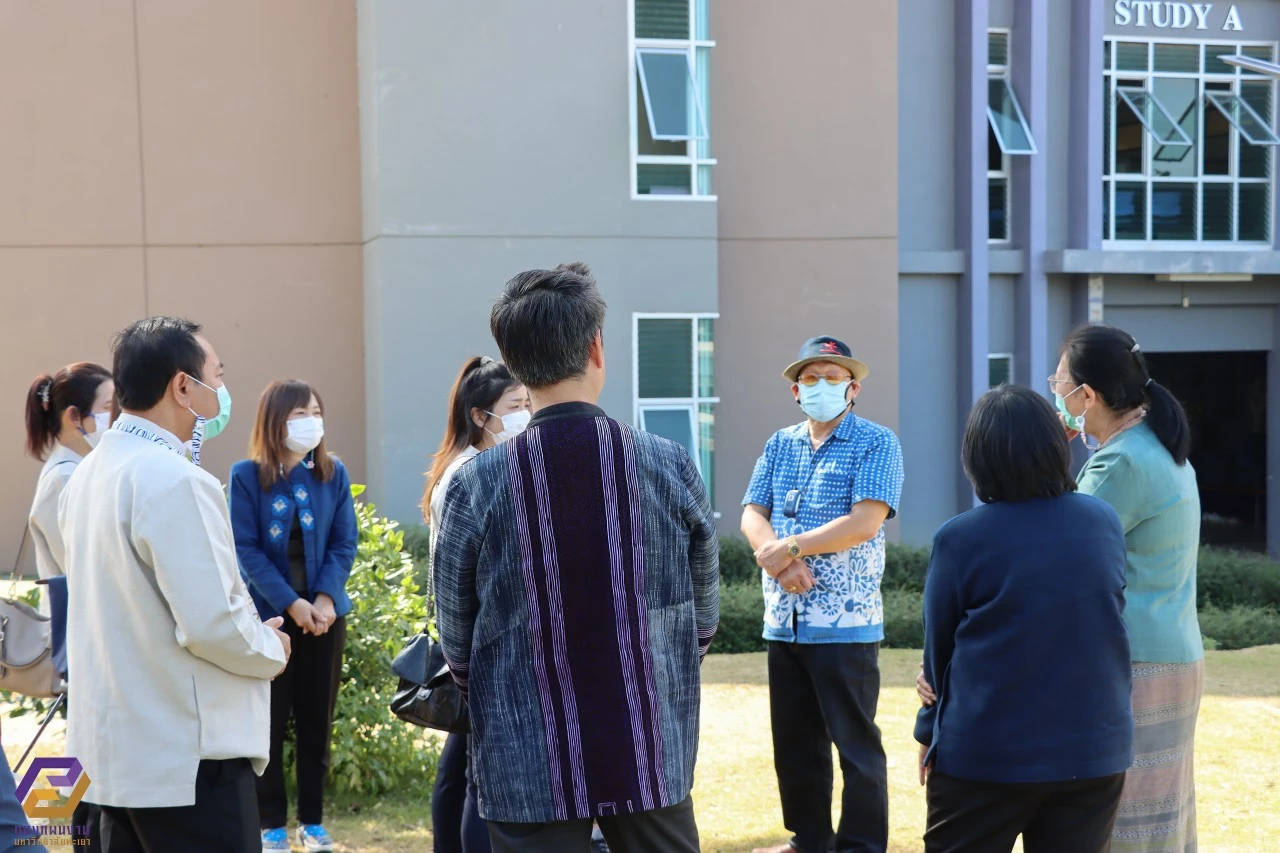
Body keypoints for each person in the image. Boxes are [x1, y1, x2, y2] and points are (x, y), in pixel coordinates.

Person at [433, 262, 719, 853]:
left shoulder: (476, 484)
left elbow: (456, 636)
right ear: (596, 347)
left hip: (523, 753)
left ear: (514, 361)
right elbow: (704, 615)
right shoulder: (668, 464)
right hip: (648, 747)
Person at [918, 324, 1202, 853]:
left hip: (1117, 669)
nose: (1056, 391)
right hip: (1124, 699)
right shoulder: (1153, 448)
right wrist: (1045, 449)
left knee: (1135, 834)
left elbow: (1044, 550)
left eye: (1060, 381)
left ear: (1086, 395)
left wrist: (929, 715)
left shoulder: (1116, 467)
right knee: (1153, 824)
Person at [58, 316, 291, 852]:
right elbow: (214, 625)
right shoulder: (175, 479)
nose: (222, 393)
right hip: (186, 761)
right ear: (182, 386)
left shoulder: (90, 473)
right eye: (217, 376)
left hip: (112, 758)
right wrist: (270, 647)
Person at [914, 385, 1133, 853]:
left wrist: (928, 733)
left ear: (978, 458)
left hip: (988, 754)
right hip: (1093, 750)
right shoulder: (1102, 522)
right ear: (1055, 448)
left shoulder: (961, 538)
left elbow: (938, 657)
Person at [741, 336, 904, 853]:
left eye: (833, 377)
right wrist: (776, 556)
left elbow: (864, 521)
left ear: (853, 388)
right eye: (810, 378)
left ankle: (860, 846)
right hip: (783, 617)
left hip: (845, 622)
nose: (821, 386)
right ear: (795, 389)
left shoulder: (877, 442)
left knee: (855, 745)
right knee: (795, 743)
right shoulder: (779, 443)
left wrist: (789, 548)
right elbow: (753, 511)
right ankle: (807, 839)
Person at [229, 381, 358, 853]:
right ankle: (270, 823)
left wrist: (324, 599)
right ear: (275, 419)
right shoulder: (247, 477)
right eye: (301, 411)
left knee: (315, 720)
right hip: (272, 622)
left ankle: (313, 820)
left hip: (325, 619)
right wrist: (292, 604)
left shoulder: (331, 473)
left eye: (317, 411)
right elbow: (246, 550)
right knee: (269, 719)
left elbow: (345, 542)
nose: (312, 420)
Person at [422, 356, 530, 853]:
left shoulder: (464, 465)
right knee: (477, 777)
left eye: (528, 403)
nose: (526, 414)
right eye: (515, 405)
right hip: (480, 639)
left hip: (470, 637)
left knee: (460, 760)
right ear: (480, 415)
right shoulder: (473, 474)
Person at [22, 362, 112, 850]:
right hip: (86, 640)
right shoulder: (66, 478)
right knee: (89, 771)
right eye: (107, 409)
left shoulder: (71, 471)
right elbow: (84, 569)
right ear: (75, 417)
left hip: (85, 638)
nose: (116, 419)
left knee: (89, 766)